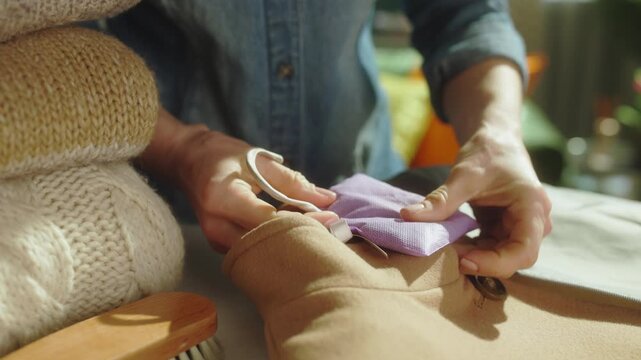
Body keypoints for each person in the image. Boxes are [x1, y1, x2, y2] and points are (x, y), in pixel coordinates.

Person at [105, 0, 552, 279]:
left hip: (384, 223)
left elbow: (466, 14)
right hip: (178, 231)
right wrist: (184, 148)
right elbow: (64, 43)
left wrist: (497, 134)